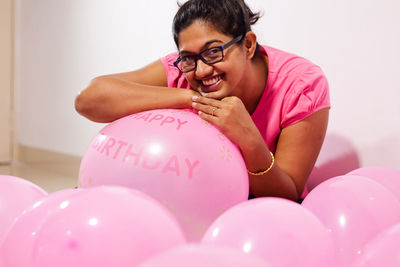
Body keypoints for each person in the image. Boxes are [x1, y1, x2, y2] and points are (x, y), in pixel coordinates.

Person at [75, 0, 330, 202]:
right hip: (183, 195)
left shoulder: (301, 83)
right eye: (188, 57)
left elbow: (288, 194)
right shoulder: (182, 72)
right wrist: (189, 99)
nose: (201, 71)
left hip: (255, 214)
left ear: (249, 45)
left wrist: (249, 140)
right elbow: (89, 100)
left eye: (213, 52)